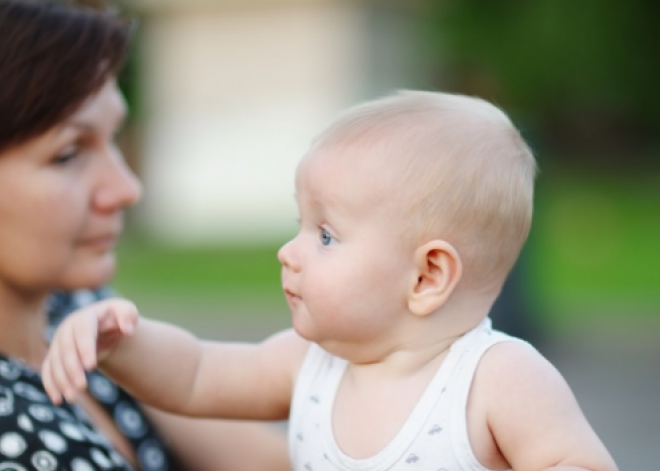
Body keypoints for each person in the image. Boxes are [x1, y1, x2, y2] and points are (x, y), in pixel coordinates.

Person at [43, 91, 619, 471]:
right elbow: (197, 374)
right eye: (301, 223)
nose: (288, 252)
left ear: (426, 276)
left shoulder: (496, 380)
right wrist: (120, 343)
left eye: (325, 235)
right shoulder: (311, 362)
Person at [0, 1, 291, 470]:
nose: (126, 188)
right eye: (69, 153)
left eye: (112, 138)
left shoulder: (76, 313)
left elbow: (274, 463)